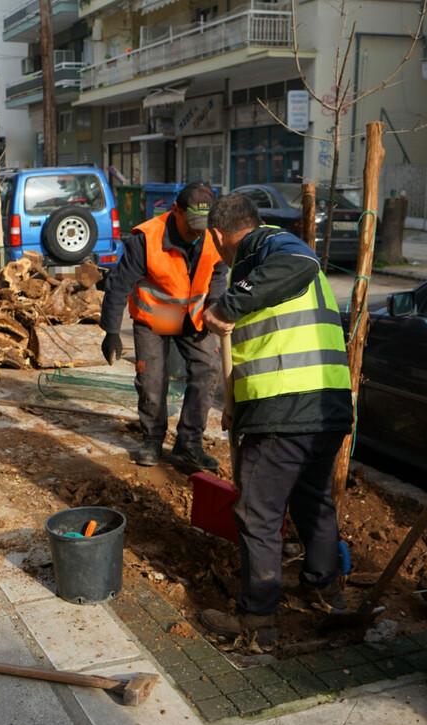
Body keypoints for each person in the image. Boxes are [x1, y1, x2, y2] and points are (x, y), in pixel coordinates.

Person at [199, 193, 353, 639]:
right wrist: (238, 409)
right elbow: (275, 343)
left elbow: (300, 265)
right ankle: (325, 591)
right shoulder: (259, 261)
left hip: (287, 410)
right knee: (312, 501)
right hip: (323, 408)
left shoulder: (272, 246)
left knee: (258, 513)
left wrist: (227, 305)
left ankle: (257, 620)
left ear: (218, 236)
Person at [100, 183, 227, 469]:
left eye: (202, 226)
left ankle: (189, 443)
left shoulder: (211, 235)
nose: (197, 232)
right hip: (157, 317)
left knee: (207, 369)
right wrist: (111, 331)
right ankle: (153, 440)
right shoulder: (147, 238)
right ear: (175, 211)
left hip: (193, 317)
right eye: (191, 224)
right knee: (153, 379)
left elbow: (218, 271)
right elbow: (118, 285)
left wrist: (215, 305)